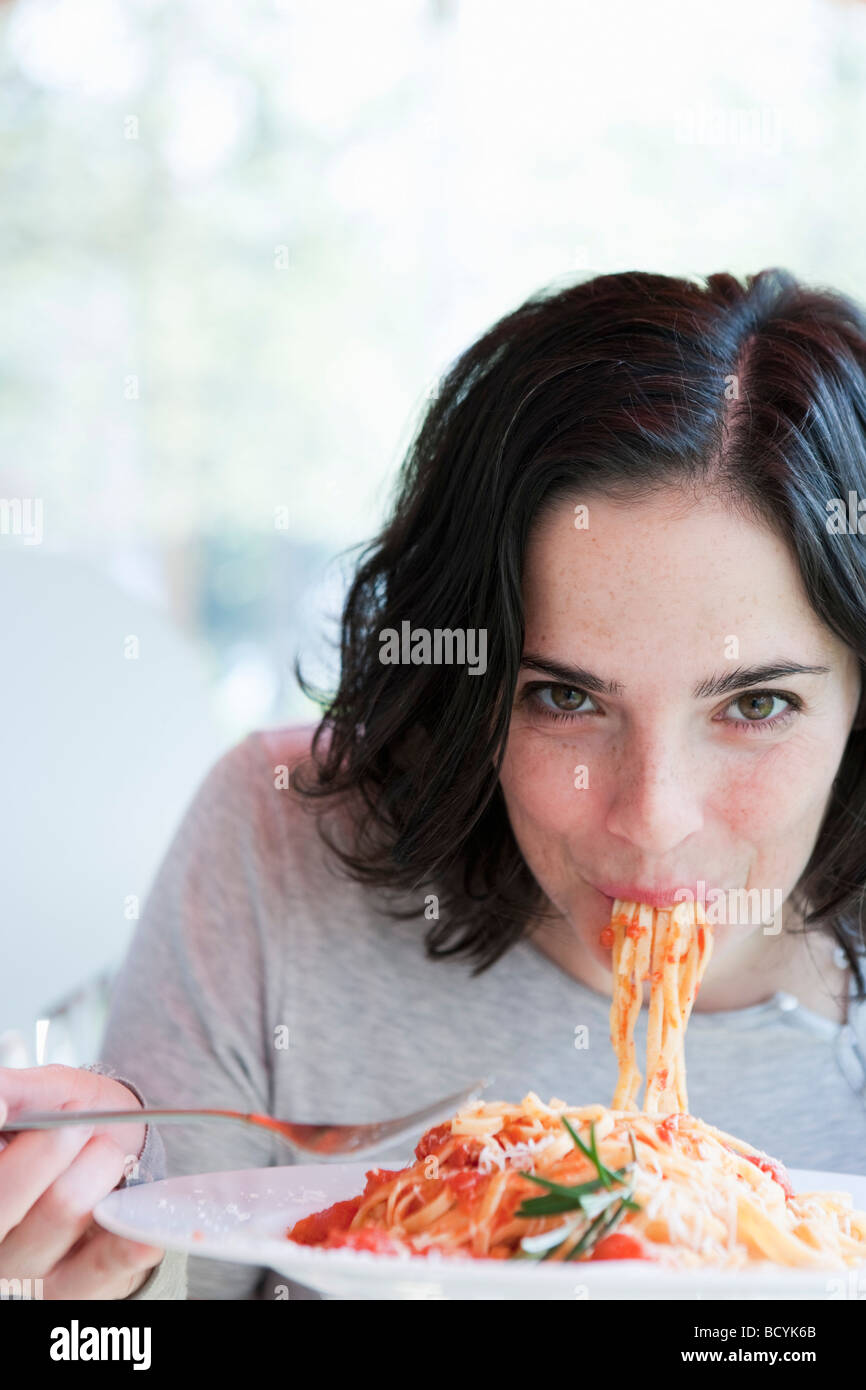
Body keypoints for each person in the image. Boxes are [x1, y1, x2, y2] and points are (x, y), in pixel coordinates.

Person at [2, 266, 865, 1300]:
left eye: (754, 705)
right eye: (562, 698)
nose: (651, 819)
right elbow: (125, 1303)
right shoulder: (278, 844)